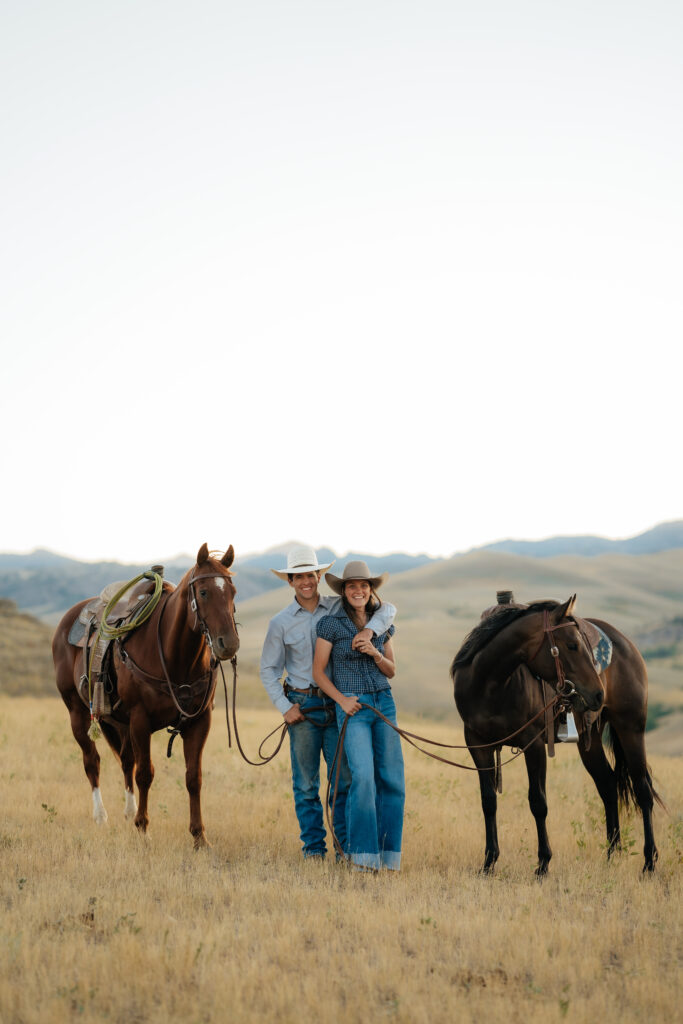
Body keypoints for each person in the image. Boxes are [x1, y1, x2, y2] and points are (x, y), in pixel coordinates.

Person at [260, 546, 396, 860]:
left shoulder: (338, 607)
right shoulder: (279, 623)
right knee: (306, 784)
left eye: (311, 575)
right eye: (299, 577)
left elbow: (387, 610)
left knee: (344, 780)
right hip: (303, 704)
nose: (306, 581)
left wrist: (370, 631)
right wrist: (284, 706)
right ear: (290, 581)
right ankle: (313, 850)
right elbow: (268, 669)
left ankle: (344, 848)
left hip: (339, 706)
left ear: (319, 576)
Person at [313, 561, 405, 872]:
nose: (358, 590)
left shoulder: (382, 624)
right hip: (353, 707)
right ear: (343, 590)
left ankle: (389, 857)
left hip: (384, 704)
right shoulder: (329, 625)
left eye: (364, 586)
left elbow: (391, 670)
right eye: (352, 586)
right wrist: (341, 700)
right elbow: (318, 672)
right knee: (363, 778)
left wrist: (375, 652)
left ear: (371, 589)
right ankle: (362, 858)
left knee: (391, 779)